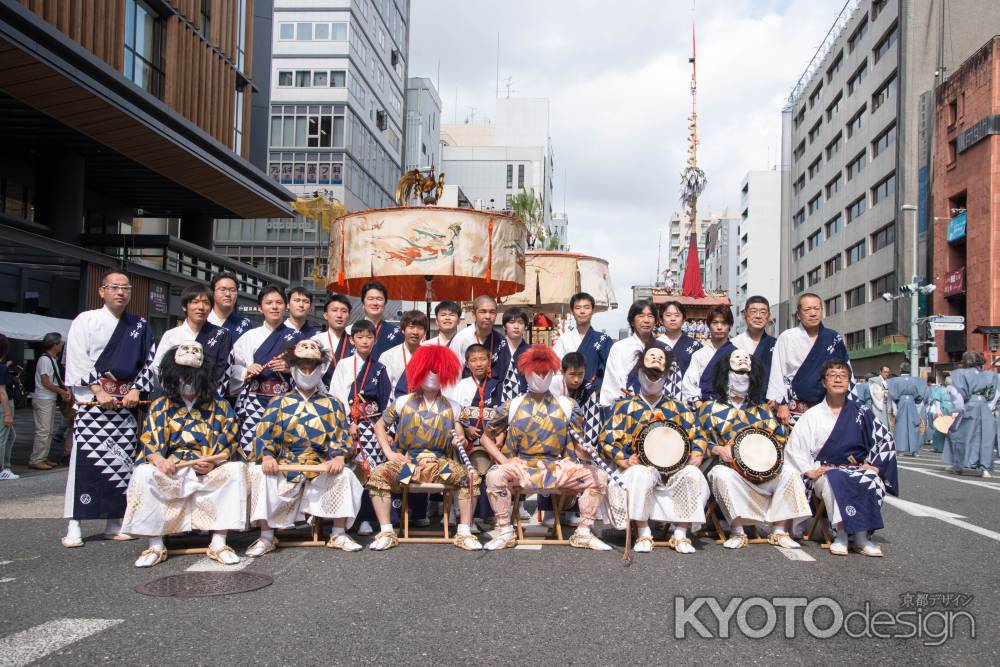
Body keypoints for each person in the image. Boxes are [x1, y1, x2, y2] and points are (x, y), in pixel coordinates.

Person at [122, 342, 246, 567]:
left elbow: (230, 440)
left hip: (207, 466)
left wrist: (214, 462)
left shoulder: (221, 406)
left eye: (192, 375)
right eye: (182, 375)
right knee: (143, 473)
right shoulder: (161, 404)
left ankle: (219, 541)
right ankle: (155, 544)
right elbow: (150, 439)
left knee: (236, 470)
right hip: (172, 468)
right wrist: (159, 460)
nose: (187, 380)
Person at [479, 345, 612, 551]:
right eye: (536, 372)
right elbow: (485, 438)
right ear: (526, 373)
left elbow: (578, 448)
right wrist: (504, 461)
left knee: (600, 476)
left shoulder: (569, 406)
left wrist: (588, 452)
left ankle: (584, 531)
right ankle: (505, 531)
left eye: (545, 372)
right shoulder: (511, 405)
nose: (541, 377)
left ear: (553, 373)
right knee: (494, 476)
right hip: (521, 466)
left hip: (558, 466)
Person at [62, 269, 156, 546]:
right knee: (84, 462)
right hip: (93, 404)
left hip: (125, 403)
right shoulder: (86, 320)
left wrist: (137, 389)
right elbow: (77, 357)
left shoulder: (139, 325)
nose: (120, 292)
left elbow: (149, 362)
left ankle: (115, 520)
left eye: (125, 288)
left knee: (122, 463)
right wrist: (97, 390)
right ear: (101, 291)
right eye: (114, 287)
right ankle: (75, 523)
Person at [246, 340, 365, 556]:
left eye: (312, 368)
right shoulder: (278, 402)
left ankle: (338, 533)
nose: (308, 372)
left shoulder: (333, 403)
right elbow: (263, 434)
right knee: (259, 473)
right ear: (293, 369)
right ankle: (266, 536)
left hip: (320, 466)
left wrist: (338, 457)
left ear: (321, 369)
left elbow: (341, 436)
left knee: (345, 474)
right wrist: (267, 456)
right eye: (303, 368)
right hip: (287, 464)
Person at [366, 345, 481, 551]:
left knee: (470, 479)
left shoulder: (454, 406)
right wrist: (390, 454)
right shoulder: (402, 402)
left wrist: (460, 441)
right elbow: (379, 425)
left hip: (441, 465)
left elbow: (460, 436)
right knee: (378, 475)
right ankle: (386, 531)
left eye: (437, 369)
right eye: (428, 368)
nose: (432, 374)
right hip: (408, 463)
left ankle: (464, 532)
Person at [601, 345, 710, 553]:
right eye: (649, 373)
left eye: (658, 374)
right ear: (640, 372)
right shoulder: (624, 406)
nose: (653, 378)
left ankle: (681, 532)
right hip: (639, 467)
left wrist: (696, 453)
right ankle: (643, 532)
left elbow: (699, 435)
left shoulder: (678, 407)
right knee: (641, 474)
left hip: (674, 470)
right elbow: (607, 438)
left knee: (693, 474)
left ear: (666, 375)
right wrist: (622, 459)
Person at [784, 360, 899, 557]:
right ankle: (842, 535)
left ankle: (862, 537)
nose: (838, 379)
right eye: (832, 375)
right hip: (824, 472)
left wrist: (876, 466)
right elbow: (795, 448)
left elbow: (885, 439)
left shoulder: (862, 412)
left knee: (871, 479)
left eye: (843, 375)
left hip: (854, 468)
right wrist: (809, 470)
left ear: (849, 382)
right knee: (836, 479)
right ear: (823, 382)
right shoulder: (811, 415)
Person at [698, 350, 811, 549]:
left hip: (763, 472)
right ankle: (737, 530)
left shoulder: (763, 410)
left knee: (790, 473)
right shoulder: (709, 408)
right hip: (731, 471)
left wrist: (768, 456)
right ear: (725, 374)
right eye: (737, 373)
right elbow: (697, 440)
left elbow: (778, 440)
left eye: (746, 374)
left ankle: (779, 530)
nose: (742, 378)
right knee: (720, 474)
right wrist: (716, 449)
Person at [329, 319, 393, 535]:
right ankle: (346, 518)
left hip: (374, 426)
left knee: (371, 472)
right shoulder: (344, 365)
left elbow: (387, 402)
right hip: (350, 426)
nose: (364, 341)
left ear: (375, 340)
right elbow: (336, 396)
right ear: (352, 340)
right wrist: (348, 423)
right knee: (350, 471)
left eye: (369, 337)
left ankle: (366, 518)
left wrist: (388, 431)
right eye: (360, 337)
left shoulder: (379, 368)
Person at [230, 286, 302, 456]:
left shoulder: (296, 337)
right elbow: (232, 366)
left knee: (282, 450)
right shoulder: (249, 336)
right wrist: (247, 370)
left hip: (286, 402)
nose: (274, 307)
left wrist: (290, 369)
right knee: (250, 449)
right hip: (255, 399)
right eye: (269, 303)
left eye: (278, 302)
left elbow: (310, 371)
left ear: (286, 306)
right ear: (260, 307)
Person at [766, 293, 851, 427]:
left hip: (829, 406)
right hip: (795, 408)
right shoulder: (787, 337)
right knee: (797, 446)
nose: (813, 313)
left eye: (817, 309)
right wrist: (781, 404)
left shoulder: (833, 338)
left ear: (822, 311)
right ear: (798, 314)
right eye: (807, 310)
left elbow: (845, 371)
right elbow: (778, 371)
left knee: (828, 445)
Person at [150, 284, 232, 395]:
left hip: (208, 399)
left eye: (206, 302)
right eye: (195, 302)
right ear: (185, 306)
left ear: (211, 308)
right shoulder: (171, 335)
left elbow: (224, 369)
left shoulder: (221, 335)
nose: (201, 307)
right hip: (175, 398)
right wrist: (174, 391)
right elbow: (158, 367)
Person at [453, 343, 501, 526]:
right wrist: (465, 431)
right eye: (473, 360)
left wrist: (499, 438)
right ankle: (467, 517)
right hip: (469, 441)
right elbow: (456, 415)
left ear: (489, 362)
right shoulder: (462, 386)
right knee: (470, 476)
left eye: (482, 359)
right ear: (467, 364)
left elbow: (503, 415)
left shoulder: (498, 385)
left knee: (491, 476)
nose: (478, 363)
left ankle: (491, 515)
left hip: (492, 440)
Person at [943, 351, 998, 477]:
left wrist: (958, 411)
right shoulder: (990, 375)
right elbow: (994, 396)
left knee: (958, 434)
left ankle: (958, 466)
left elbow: (956, 396)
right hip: (985, 408)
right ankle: (985, 468)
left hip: (969, 406)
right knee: (986, 438)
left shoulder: (961, 374)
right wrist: (987, 406)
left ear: (965, 361)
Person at [552, 292, 613, 401]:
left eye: (586, 307)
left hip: (595, 397)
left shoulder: (604, 340)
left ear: (593, 310)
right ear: (572, 311)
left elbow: (610, 371)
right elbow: (556, 369)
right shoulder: (564, 340)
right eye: (578, 308)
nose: (582, 311)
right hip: (567, 397)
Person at [601, 300, 659, 407]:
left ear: (655, 321)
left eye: (650, 316)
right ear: (632, 321)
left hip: (658, 409)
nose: (646, 320)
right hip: (626, 408)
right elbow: (612, 382)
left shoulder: (663, 348)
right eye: (641, 316)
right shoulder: (619, 348)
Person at [29, 332, 72, 470]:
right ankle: (36, 459)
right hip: (43, 398)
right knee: (43, 430)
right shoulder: (45, 360)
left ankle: (42, 457)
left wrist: (64, 389)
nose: (62, 345)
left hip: (48, 398)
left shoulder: (52, 359)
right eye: (60, 343)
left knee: (47, 430)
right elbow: (45, 381)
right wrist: (61, 391)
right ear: (54, 344)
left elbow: (54, 380)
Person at [681, 304, 737, 407]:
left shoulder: (736, 354)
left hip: (730, 409)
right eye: (715, 322)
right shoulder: (699, 355)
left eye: (724, 323)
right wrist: (700, 406)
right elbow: (688, 385)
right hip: (703, 408)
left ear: (730, 325)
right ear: (708, 325)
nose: (719, 327)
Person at [381, 310, 429, 394]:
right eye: (411, 327)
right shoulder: (389, 356)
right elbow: (384, 388)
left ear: (425, 332)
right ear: (403, 330)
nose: (415, 332)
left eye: (420, 328)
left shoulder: (429, 357)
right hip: (395, 404)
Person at [731, 296, 777, 382]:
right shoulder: (733, 344)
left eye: (763, 312)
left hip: (768, 394)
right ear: (744, 315)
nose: (758, 316)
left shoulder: (776, 344)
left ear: (768, 316)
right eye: (753, 312)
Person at [887, 361, 928, 457]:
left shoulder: (895, 380)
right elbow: (919, 397)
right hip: (912, 403)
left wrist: (897, 402)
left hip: (901, 402)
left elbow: (893, 395)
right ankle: (915, 450)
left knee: (900, 426)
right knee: (914, 425)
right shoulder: (916, 380)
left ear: (900, 370)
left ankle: (900, 450)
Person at [313, 294, 354, 389]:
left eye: (344, 311)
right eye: (334, 310)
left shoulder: (355, 342)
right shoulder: (316, 341)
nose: (339, 315)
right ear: (326, 315)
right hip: (321, 394)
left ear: (349, 316)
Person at [491, 307, 530, 404]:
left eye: (520, 323)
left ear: (525, 326)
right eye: (512, 322)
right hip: (497, 401)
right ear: (504, 326)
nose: (516, 326)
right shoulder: (495, 348)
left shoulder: (531, 351)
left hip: (523, 402)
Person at [453, 294, 503, 365]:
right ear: (473, 314)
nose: (488, 316)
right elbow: (455, 371)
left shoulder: (501, 340)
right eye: (483, 312)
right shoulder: (461, 339)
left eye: (492, 312)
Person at [657, 301, 703, 376]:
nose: (673, 319)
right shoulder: (654, 345)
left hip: (687, 387)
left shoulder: (695, 346)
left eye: (677, 315)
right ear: (661, 320)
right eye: (668, 315)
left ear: (684, 319)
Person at [359, 280, 401, 362]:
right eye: (370, 299)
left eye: (379, 299)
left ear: (385, 303)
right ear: (363, 304)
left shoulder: (396, 333)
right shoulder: (349, 332)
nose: (375, 303)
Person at [207, 272, 252, 340]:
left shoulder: (245, 325)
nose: (228, 294)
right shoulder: (203, 321)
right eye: (222, 289)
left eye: (232, 290)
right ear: (213, 292)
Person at [422, 300, 463, 365]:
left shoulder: (464, 345)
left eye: (452, 315)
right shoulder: (426, 346)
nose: (447, 318)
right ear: (436, 321)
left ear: (458, 321)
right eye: (443, 315)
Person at [0, 334, 15, 480]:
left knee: (10, 435)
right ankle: (2, 469)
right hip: (3, 405)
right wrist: (7, 413)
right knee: (3, 437)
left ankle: (6, 465)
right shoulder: (2, 367)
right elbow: (2, 392)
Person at [928, 376, 954, 454]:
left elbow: (937, 401)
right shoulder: (956, 390)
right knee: (951, 429)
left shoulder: (941, 390)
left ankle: (939, 447)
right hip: (953, 411)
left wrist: (938, 411)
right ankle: (950, 448)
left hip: (943, 410)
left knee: (939, 429)